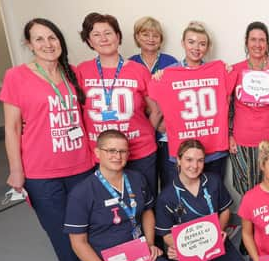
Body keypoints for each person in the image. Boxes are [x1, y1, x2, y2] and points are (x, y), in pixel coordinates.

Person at [0, 18, 95, 261]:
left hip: (82, 165)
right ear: (29, 45)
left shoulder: (73, 73)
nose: (47, 44)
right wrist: (16, 170)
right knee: (58, 229)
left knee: (86, 225)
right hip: (41, 171)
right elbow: (11, 128)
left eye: (52, 37)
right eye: (39, 39)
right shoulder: (17, 76)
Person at [64, 130, 175, 261]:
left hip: (134, 250)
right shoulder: (82, 192)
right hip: (104, 258)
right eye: (111, 151)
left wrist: (148, 244)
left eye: (123, 151)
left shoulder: (136, 179)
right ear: (97, 153)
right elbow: (78, 242)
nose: (118, 156)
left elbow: (148, 211)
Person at [154, 139, 251, 261]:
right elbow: (166, 234)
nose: (195, 166)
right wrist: (176, 248)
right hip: (190, 250)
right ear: (178, 160)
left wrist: (219, 232)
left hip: (215, 242)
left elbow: (225, 210)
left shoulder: (213, 181)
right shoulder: (166, 196)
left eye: (200, 160)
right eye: (189, 160)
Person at [76, 12, 160, 196]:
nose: (103, 39)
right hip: (101, 155)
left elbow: (156, 111)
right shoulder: (81, 71)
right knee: (108, 207)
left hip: (139, 152)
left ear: (118, 36)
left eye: (108, 33)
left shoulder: (138, 71)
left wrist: (145, 135)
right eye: (96, 35)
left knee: (145, 201)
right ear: (89, 41)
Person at [148, 22, 231, 185]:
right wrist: (159, 79)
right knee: (181, 198)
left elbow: (228, 99)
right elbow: (155, 106)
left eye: (202, 44)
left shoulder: (218, 71)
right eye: (191, 42)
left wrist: (227, 71)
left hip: (213, 146)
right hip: (182, 149)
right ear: (183, 43)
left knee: (213, 193)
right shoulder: (168, 73)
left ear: (207, 47)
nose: (196, 47)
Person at [229, 21, 269, 196]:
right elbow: (228, 107)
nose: (257, 44)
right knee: (247, 192)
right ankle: (249, 225)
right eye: (253, 40)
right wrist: (229, 135)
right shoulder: (234, 70)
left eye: (262, 40)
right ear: (246, 42)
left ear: (268, 44)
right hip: (243, 141)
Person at [128, 16, 178, 191]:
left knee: (168, 181)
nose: (150, 39)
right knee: (143, 184)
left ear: (161, 39)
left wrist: (164, 122)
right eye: (145, 34)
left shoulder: (171, 62)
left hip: (165, 131)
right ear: (137, 37)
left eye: (155, 35)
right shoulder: (129, 63)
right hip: (139, 133)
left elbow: (177, 97)